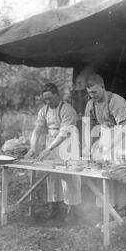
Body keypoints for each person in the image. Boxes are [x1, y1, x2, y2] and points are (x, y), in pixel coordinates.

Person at [25, 83, 81, 223]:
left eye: (50, 98)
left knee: (69, 177)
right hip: (51, 143)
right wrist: (33, 147)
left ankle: (72, 211)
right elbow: (37, 129)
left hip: (68, 144)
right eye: (45, 99)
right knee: (52, 177)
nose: (48, 102)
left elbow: (63, 134)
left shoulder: (68, 110)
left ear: (57, 95)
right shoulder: (44, 110)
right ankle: (55, 209)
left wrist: (48, 148)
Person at [83, 74, 126, 209]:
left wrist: (108, 148)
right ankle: (107, 209)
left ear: (102, 87)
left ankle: (123, 209)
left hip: (122, 137)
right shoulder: (90, 104)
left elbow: (124, 128)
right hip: (106, 135)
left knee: (121, 174)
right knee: (104, 173)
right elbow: (87, 126)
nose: (92, 95)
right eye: (89, 93)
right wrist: (88, 146)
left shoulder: (116, 100)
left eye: (94, 92)